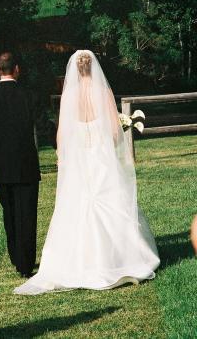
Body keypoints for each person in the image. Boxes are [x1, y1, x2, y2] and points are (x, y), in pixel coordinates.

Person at [14, 50, 160, 294]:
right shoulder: (103, 92)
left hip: (79, 160)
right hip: (100, 159)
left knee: (77, 205)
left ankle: (79, 261)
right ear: (93, 67)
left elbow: (62, 133)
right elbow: (114, 132)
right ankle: (118, 258)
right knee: (111, 203)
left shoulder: (68, 95)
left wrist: (64, 156)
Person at [0, 52, 40, 278]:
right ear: (17, 69)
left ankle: (15, 256)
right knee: (27, 214)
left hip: (1, 166)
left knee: (10, 212)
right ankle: (26, 262)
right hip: (26, 165)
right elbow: (41, 126)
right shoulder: (29, 96)